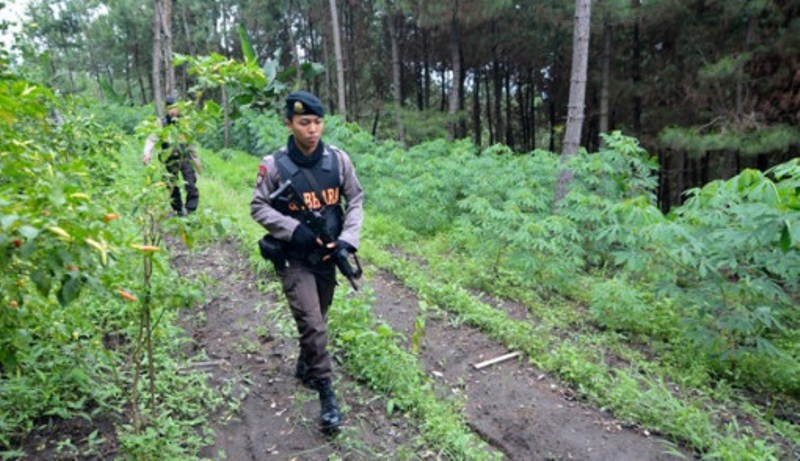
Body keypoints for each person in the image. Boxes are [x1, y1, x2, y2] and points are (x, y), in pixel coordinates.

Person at [250, 90, 364, 433]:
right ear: (289, 123)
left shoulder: (339, 160)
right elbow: (258, 206)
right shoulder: (273, 165)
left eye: (317, 122)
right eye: (304, 123)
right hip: (294, 258)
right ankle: (326, 393)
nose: (312, 130)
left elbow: (356, 198)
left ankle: (306, 361)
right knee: (313, 323)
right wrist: (292, 229)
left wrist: (348, 239)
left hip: (328, 255)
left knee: (319, 316)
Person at [142, 96, 200, 216]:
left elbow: (191, 143)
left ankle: (190, 210)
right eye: (170, 109)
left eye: (176, 108)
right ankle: (178, 210)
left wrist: (196, 161)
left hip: (185, 158)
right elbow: (151, 139)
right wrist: (147, 153)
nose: (173, 111)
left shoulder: (185, 123)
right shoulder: (161, 123)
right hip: (169, 160)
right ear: (166, 110)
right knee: (171, 185)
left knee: (191, 184)